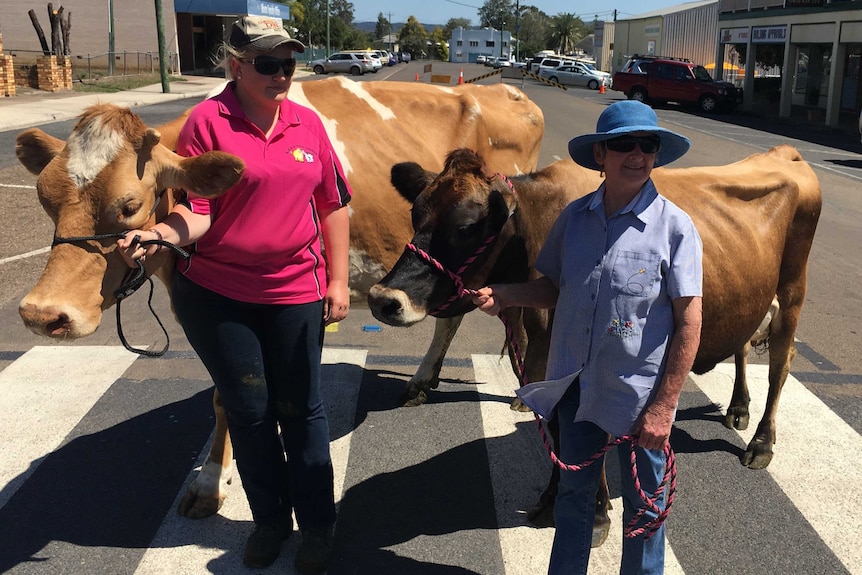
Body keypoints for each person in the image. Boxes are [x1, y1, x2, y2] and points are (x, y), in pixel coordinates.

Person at [118, 15, 351, 574]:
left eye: (288, 64)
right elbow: (196, 211)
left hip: (295, 290)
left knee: (303, 411)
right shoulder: (207, 123)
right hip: (219, 295)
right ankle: (270, 521)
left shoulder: (306, 126)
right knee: (248, 413)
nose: (281, 75)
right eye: (267, 65)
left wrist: (339, 280)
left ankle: (318, 525)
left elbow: (333, 204)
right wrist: (156, 235)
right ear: (236, 66)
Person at [472, 100, 703, 575]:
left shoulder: (676, 229)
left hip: (640, 399)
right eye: (623, 144)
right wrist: (505, 294)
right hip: (575, 392)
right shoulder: (574, 219)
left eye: (647, 144)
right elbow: (553, 288)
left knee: (643, 514)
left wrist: (663, 408)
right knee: (574, 501)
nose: (637, 154)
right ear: (601, 154)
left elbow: (689, 322)